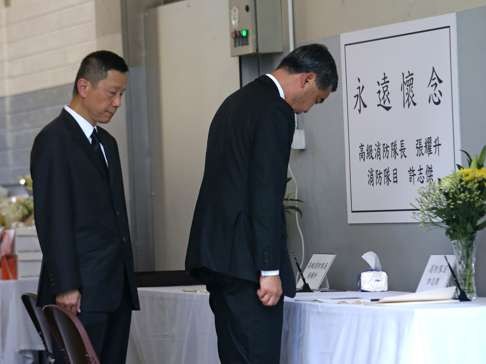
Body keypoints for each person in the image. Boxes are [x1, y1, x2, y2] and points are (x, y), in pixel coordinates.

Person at [185, 43, 338, 363]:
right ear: (307, 79)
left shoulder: (235, 102)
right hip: (249, 268)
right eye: (318, 99)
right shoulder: (275, 111)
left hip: (220, 260)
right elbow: (265, 192)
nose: (309, 109)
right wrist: (269, 269)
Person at [30, 50, 140, 363]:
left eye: (122, 94)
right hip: (79, 293)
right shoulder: (54, 140)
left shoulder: (107, 143)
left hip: (114, 288)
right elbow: (53, 218)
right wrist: (66, 286)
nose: (117, 103)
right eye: (112, 93)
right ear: (84, 87)